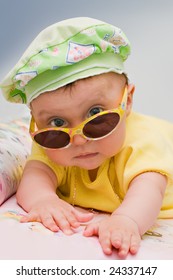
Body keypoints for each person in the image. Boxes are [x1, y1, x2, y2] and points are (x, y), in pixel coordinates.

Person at [1, 17, 173, 258]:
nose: (79, 139)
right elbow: (35, 176)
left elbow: (149, 191)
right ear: (36, 122)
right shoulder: (51, 143)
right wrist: (43, 200)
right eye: (57, 123)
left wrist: (126, 220)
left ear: (128, 101)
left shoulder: (144, 142)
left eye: (96, 115)